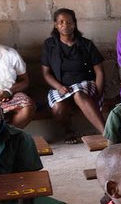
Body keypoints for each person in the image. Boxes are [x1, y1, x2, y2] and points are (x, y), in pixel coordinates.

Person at [41, 8, 105, 143]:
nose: (65, 25)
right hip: (60, 87)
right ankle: (69, 130)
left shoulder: (86, 44)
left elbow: (99, 71)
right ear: (55, 25)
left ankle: (107, 133)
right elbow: (46, 73)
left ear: (74, 24)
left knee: (78, 94)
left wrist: (98, 93)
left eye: (69, 22)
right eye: (61, 22)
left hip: (85, 85)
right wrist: (59, 87)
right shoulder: (49, 45)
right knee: (58, 107)